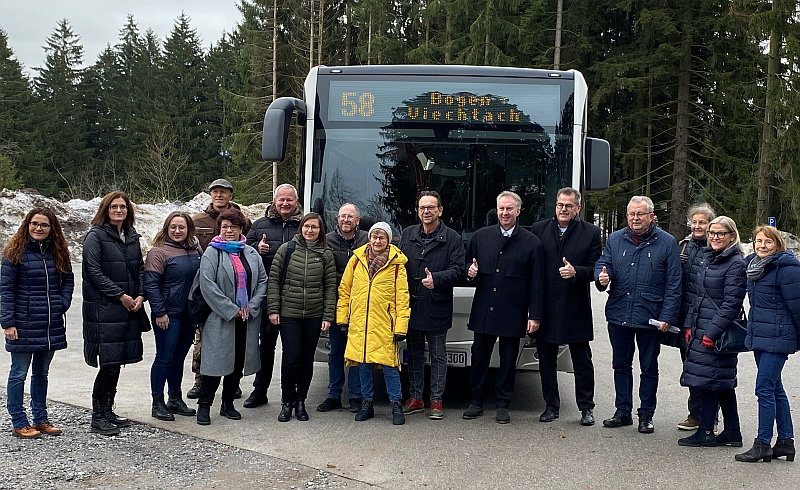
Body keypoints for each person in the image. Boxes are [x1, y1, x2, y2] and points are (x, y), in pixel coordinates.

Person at [594, 195, 681, 434]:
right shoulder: (615, 238)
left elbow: (674, 283)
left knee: (648, 367)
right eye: (631, 214)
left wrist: (668, 316)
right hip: (619, 311)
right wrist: (601, 278)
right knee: (621, 365)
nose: (635, 218)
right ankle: (622, 411)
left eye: (640, 214)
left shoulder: (666, 242)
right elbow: (604, 264)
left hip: (651, 315)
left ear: (651, 217)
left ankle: (646, 415)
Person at [462, 191, 544, 424]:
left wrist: (534, 315)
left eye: (509, 209)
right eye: (501, 209)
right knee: (479, 356)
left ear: (518, 211)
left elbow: (537, 283)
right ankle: (476, 401)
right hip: (484, 309)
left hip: (513, 310)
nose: (505, 213)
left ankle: (502, 404)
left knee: (508, 361)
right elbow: (468, 266)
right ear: (496, 211)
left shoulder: (531, 243)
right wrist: (470, 272)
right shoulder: (480, 237)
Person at [531, 188, 601, 426]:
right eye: (560, 205)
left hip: (575, 307)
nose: (563, 209)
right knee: (546, 361)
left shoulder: (591, 232)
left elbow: (596, 269)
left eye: (568, 206)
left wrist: (576, 272)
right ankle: (551, 406)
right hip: (547, 306)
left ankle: (586, 407)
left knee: (582, 361)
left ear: (577, 209)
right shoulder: (539, 229)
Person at [2, 208, 74, 439]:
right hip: (22, 324)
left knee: (41, 374)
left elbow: (68, 280)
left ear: (52, 228)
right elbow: (6, 291)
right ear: (27, 225)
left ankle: (40, 419)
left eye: (44, 225)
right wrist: (8, 323)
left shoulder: (59, 253)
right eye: (34, 223)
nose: (38, 228)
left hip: (49, 324)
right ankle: (19, 421)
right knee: (18, 373)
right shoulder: (15, 254)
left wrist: (61, 303)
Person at [678, 216, 746, 448]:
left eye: (721, 234)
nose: (715, 237)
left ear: (732, 236)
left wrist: (711, 333)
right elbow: (698, 296)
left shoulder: (735, 263)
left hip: (716, 333)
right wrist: (689, 325)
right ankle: (733, 432)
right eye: (712, 233)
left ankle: (706, 430)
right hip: (700, 327)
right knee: (721, 381)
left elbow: (731, 304)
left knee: (709, 380)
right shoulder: (710, 258)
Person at [82, 191, 146, 436]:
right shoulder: (95, 237)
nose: (119, 210)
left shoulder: (131, 236)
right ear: (105, 210)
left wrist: (141, 295)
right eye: (114, 207)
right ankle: (97, 416)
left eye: (123, 207)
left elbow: (140, 268)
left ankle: (108, 410)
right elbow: (93, 273)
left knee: (117, 362)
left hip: (128, 309)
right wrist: (121, 295)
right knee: (108, 364)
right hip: (105, 310)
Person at [196, 208, 267, 425]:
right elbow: (207, 285)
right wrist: (230, 309)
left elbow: (263, 281)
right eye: (225, 226)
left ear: (241, 229)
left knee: (237, 363)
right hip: (220, 318)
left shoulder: (251, 253)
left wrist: (251, 306)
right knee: (214, 363)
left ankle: (228, 404)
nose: (228, 231)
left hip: (245, 318)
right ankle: (204, 406)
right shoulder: (212, 252)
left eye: (233, 227)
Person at [735, 225, 800, 463]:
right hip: (760, 334)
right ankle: (785, 442)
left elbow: (797, 306)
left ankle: (762, 443)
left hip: (778, 337)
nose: (762, 246)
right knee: (775, 388)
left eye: (768, 242)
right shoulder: (753, 265)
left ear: (778, 245)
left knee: (764, 388)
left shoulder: (787, 268)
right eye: (758, 241)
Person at [398, 191, 465, 420]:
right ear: (418, 211)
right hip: (412, 305)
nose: (426, 212)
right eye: (422, 208)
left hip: (437, 304)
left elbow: (458, 270)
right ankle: (415, 398)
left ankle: (436, 400)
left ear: (440, 211)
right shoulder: (407, 234)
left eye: (430, 208)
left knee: (438, 355)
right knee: (414, 354)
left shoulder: (452, 237)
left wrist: (436, 279)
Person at [338, 222, 410, 425]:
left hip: (384, 324)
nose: (377, 241)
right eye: (374, 237)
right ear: (369, 238)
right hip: (360, 322)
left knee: (389, 366)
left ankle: (396, 404)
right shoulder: (356, 260)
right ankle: (367, 402)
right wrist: (343, 318)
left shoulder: (396, 265)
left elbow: (402, 298)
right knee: (363, 363)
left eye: (382, 237)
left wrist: (400, 327)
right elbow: (345, 290)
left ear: (388, 240)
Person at [267, 213, 337, 422]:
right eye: (306, 226)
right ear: (301, 228)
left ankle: (300, 402)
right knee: (290, 359)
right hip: (289, 313)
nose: (310, 230)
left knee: (307, 360)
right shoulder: (287, 249)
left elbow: (330, 287)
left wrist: (328, 315)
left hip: (314, 315)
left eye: (314, 227)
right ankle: (286, 401)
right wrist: (273, 309)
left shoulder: (326, 253)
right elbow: (274, 280)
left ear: (320, 230)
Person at [188, 178, 251, 399]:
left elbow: (246, 247)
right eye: (215, 192)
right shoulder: (197, 220)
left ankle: (232, 384)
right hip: (207, 287)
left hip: (234, 285)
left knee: (234, 343)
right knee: (203, 341)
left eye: (223, 192)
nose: (219, 195)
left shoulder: (241, 219)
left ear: (230, 195)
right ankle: (200, 380)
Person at [243, 183, 304, 408]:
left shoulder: (305, 225)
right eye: (281, 200)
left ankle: (293, 395)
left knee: (293, 352)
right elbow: (242, 254)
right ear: (274, 201)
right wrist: (256, 250)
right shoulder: (259, 225)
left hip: (296, 298)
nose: (285, 204)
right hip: (268, 298)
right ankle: (260, 391)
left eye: (289, 200)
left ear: (296, 202)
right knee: (265, 348)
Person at [143, 211, 202, 421]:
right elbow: (150, 284)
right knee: (164, 358)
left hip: (188, 315)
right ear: (167, 228)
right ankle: (157, 401)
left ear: (188, 230)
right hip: (168, 316)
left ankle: (175, 398)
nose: (177, 231)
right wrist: (159, 312)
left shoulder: (195, 249)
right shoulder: (158, 253)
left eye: (182, 227)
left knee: (178, 359)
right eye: (173, 227)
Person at [315, 203, 368, 413]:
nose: (346, 220)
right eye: (342, 216)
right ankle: (334, 394)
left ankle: (355, 395)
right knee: (335, 350)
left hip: (362, 305)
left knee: (356, 352)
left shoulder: (367, 239)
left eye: (350, 217)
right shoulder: (327, 240)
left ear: (357, 220)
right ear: (337, 219)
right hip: (336, 304)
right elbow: (323, 271)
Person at [675, 203, 716, 431]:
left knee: (709, 371)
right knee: (690, 368)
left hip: (708, 320)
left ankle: (712, 418)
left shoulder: (717, 246)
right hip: (686, 321)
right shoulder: (684, 246)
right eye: (695, 222)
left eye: (703, 222)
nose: (698, 226)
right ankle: (695, 415)